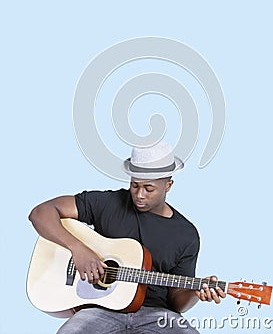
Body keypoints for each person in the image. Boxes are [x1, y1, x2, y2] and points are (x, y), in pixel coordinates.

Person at [29, 141, 225, 333]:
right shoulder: (108, 203)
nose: (139, 195)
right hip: (99, 309)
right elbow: (41, 213)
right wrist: (78, 249)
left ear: (168, 185)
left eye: (149, 189)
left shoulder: (186, 234)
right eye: (134, 185)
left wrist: (196, 293)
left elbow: (177, 302)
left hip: (157, 315)